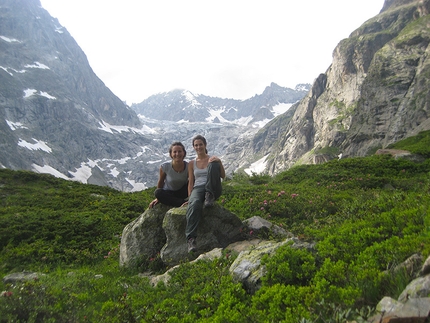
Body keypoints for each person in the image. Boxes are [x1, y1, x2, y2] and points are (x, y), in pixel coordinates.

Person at [184, 135, 225, 253]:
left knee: (213, 164)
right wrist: (190, 198)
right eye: (196, 145)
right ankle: (191, 239)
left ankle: (209, 195)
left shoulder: (212, 159)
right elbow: (191, 182)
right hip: (198, 188)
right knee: (195, 203)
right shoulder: (191, 163)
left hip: (213, 187)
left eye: (200, 144)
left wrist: (219, 162)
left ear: (205, 145)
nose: (198, 147)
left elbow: (223, 176)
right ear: (193, 147)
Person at [149, 142, 189, 208]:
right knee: (158, 192)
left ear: (184, 153)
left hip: (182, 191)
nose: (177, 154)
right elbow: (161, 181)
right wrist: (158, 198)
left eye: (179, 151)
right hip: (168, 192)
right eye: (174, 152)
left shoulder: (188, 166)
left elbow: (191, 182)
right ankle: (182, 203)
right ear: (171, 154)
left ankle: (178, 202)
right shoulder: (165, 167)